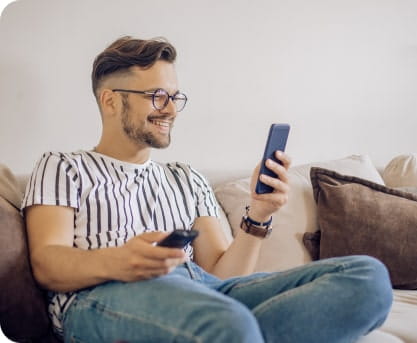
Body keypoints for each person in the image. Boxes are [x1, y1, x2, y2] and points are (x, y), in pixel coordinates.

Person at [22, 36, 393, 343]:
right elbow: (47, 263)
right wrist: (119, 261)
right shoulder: (64, 165)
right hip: (103, 296)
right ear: (110, 100)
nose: (171, 110)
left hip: (201, 291)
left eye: (175, 96)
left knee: (367, 280)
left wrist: (259, 214)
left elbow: (222, 275)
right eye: (156, 95)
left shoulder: (186, 176)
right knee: (226, 323)